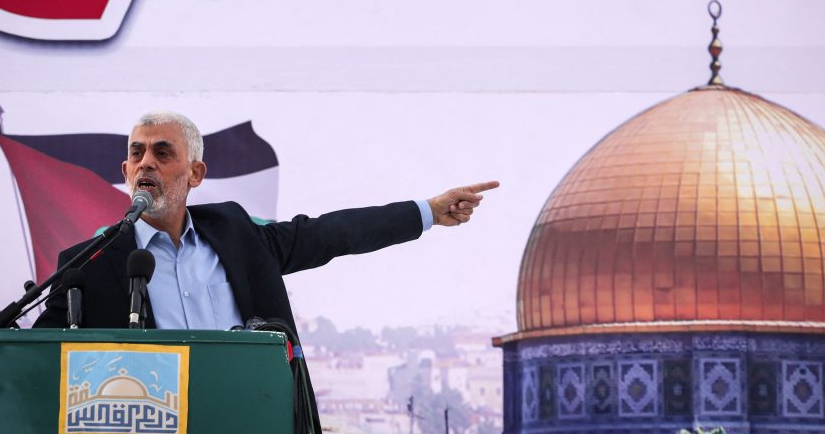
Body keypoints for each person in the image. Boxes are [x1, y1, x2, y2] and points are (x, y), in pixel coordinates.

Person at [35, 110, 499, 336]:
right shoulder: (89, 264)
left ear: (196, 173)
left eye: (162, 152)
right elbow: (35, 363)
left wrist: (428, 211)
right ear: (125, 173)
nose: (146, 164)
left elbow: (330, 233)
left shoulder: (238, 234)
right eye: (137, 154)